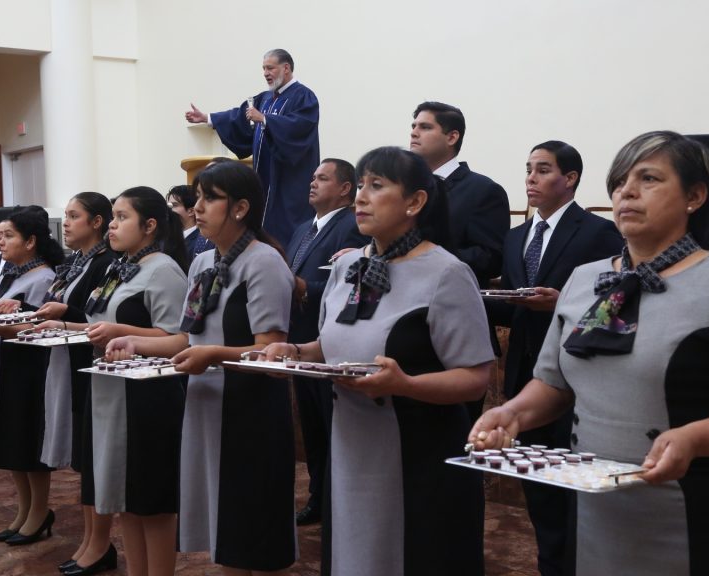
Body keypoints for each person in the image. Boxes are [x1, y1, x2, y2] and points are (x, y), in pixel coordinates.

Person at [470, 131, 709, 576]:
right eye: (620, 181)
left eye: (649, 178)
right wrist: (511, 414)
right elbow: (552, 383)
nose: (627, 191)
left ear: (695, 196)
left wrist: (693, 438)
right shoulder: (585, 280)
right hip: (598, 509)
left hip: (699, 510)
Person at [260, 147, 494, 576]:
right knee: (355, 554)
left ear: (415, 202)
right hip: (351, 442)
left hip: (420, 451)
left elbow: (477, 377)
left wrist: (405, 385)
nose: (361, 197)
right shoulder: (351, 264)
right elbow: (335, 344)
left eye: (377, 185)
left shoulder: (447, 272)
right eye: (361, 185)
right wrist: (294, 352)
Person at [107, 161, 296, 575]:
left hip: (250, 410)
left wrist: (213, 356)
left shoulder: (264, 262)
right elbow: (186, 338)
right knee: (223, 524)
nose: (198, 207)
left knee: (252, 525)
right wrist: (135, 343)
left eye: (210, 198)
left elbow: (270, 349)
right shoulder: (202, 261)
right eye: (197, 197)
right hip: (207, 406)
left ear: (241, 208)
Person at [489, 141, 623, 576]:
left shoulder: (598, 232)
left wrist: (561, 301)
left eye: (543, 170)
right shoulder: (516, 237)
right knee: (540, 493)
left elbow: (617, 305)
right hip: (525, 375)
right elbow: (512, 307)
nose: (531, 178)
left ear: (570, 178)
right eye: (528, 169)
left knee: (574, 495)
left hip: (577, 382)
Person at [56, 187, 188, 576]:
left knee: (151, 501)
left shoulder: (164, 270)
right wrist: (62, 324)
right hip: (111, 392)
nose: (112, 226)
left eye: (121, 217)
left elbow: (178, 337)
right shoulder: (122, 266)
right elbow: (103, 326)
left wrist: (122, 333)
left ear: (150, 225)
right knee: (125, 498)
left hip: (148, 398)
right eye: (112, 217)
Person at [0, 207, 63, 545]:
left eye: (8, 236)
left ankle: (39, 511)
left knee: (28, 442)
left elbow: (38, 328)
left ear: (30, 242)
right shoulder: (12, 274)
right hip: (6, 365)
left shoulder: (43, 278)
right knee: (14, 443)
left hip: (29, 368)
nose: (0, 242)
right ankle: (24, 509)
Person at [30, 192, 114, 571]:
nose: (65, 223)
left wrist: (66, 312)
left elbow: (98, 316)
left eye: (74, 216)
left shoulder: (105, 262)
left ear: (97, 222)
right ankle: (89, 539)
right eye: (64, 215)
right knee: (84, 460)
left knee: (92, 460)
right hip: (67, 360)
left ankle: (100, 542)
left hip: (88, 362)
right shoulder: (76, 261)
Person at [284, 158, 366, 526]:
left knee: (334, 428)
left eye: (322, 178)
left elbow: (352, 283)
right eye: (312, 177)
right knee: (313, 427)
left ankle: (336, 500)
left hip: (332, 340)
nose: (312, 183)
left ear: (346, 188)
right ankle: (318, 496)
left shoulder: (353, 226)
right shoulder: (303, 228)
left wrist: (304, 288)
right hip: (301, 339)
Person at [185, 48, 320, 247]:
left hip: (287, 183)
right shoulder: (265, 98)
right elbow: (238, 118)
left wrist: (265, 119)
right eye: (263, 68)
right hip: (262, 180)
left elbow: (299, 127)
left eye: (270, 68)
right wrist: (208, 118)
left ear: (286, 68)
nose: (266, 73)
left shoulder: (304, 97)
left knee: (286, 236)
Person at [409, 101, 509, 288]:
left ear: (452, 137)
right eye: (413, 126)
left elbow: (492, 258)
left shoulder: (483, 190)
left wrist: (425, 257)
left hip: (451, 293)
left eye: (425, 127)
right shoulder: (406, 187)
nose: (414, 133)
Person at [168, 184, 214, 260]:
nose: (169, 211)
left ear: (191, 211)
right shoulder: (168, 239)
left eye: (174, 205)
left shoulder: (202, 242)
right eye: (168, 206)